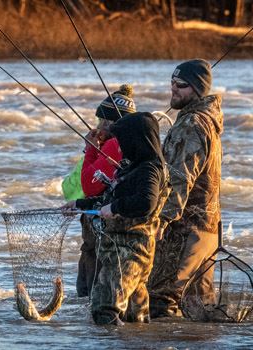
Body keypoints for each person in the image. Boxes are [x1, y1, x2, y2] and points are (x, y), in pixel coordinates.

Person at [66, 112, 169, 325]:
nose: (119, 148)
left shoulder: (149, 170)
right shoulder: (133, 167)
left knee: (104, 307)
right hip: (123, 252)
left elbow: (146, 203)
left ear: (136, 140)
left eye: (122, 142)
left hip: (130, 253)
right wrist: (80, 204)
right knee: (135, 316)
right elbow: (109, 196)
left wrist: (115, 207)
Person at [148, 59, 223, 318]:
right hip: (207, 229)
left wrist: (163, 219)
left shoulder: (192, 123)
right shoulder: (208, 120)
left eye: (181, 85)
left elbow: (181, 178)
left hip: (184, 229)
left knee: (161, 297)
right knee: (199, 307)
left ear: (198, 89)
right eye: (172, 83)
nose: (173, 89)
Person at [69, 85, 136, 297]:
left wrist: (90, 148)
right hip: (118, 218)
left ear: (109, 122)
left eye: (101, 120)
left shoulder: (111, 144)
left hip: (101, 220)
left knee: (91, 274)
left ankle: (90, 311)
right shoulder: (132, 141)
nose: (98, 125)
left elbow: (90, 187)